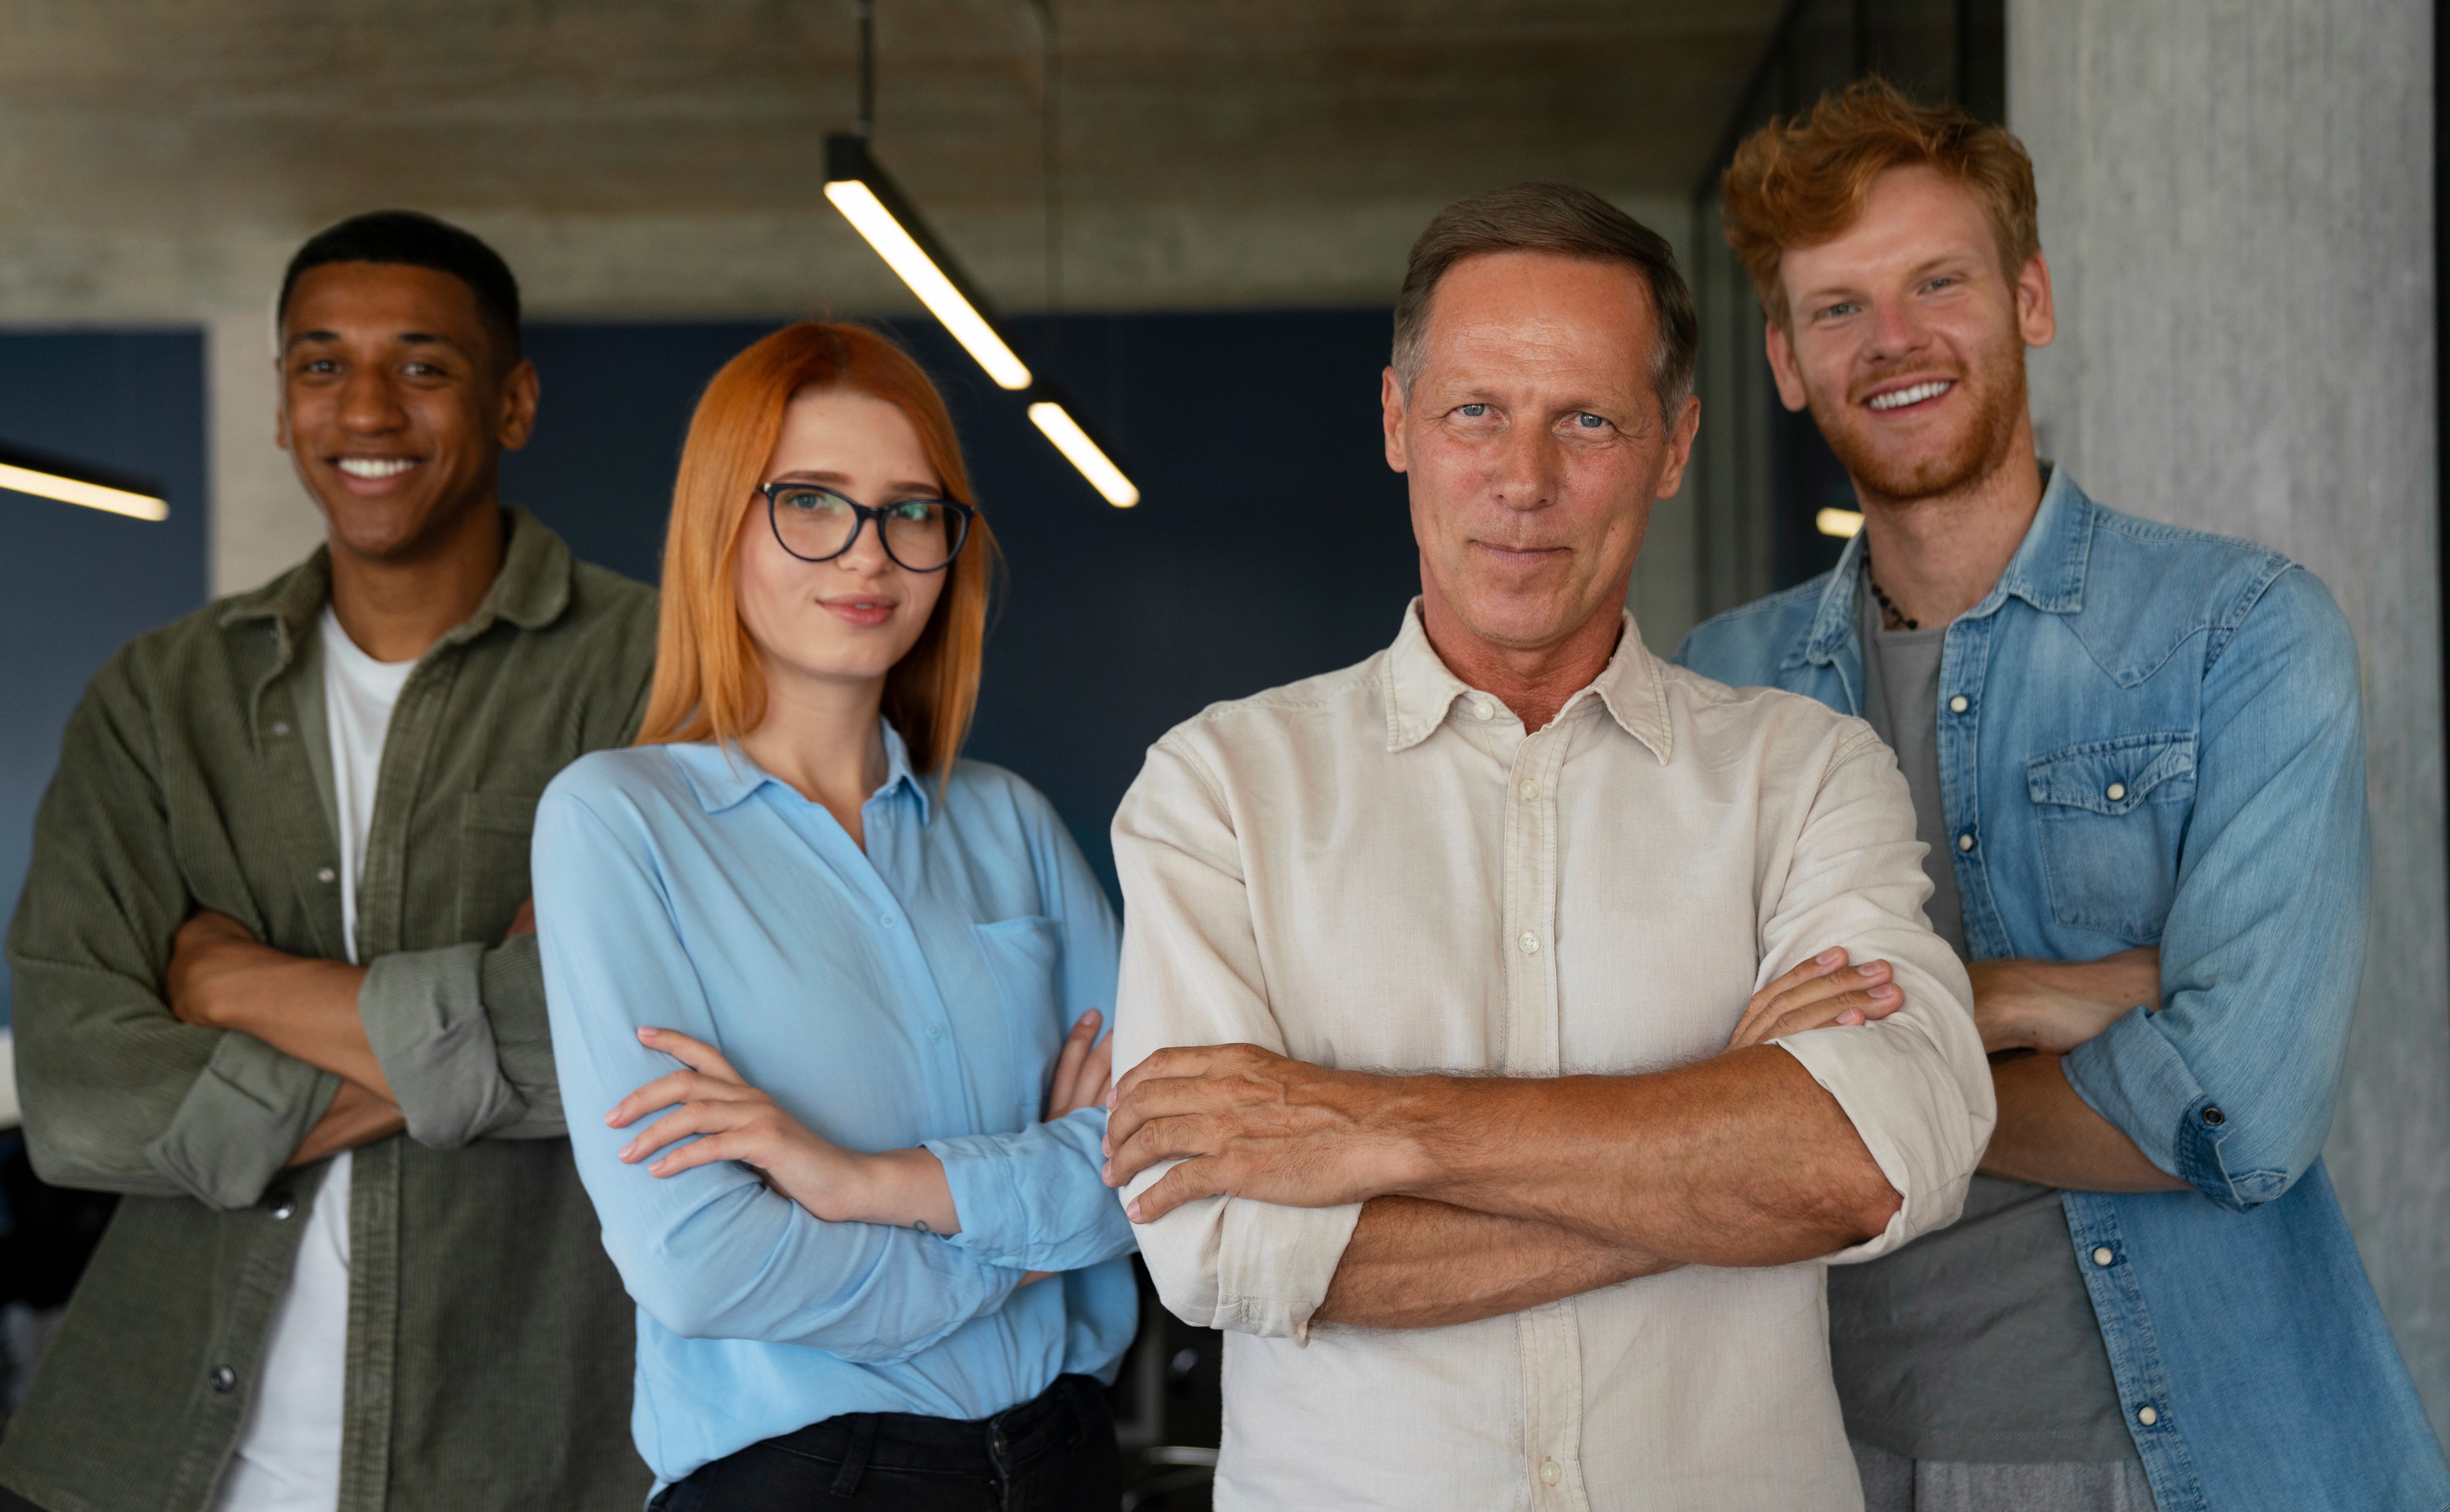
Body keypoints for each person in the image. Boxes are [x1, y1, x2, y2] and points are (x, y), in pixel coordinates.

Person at [1099, 184, 1995, 1511]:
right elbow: (1223, 1245)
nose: (1523, 481)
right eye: (1474, 412)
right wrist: (1711, 1150)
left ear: (1673, 444)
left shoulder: (1803, 773)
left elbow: (1869, 1158)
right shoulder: (1219, 787)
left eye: (1586, 419)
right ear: (1397, 422)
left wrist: (1368, 1123)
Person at [1675, 80, 2450, 1512]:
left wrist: (1883, 1052)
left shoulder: (2240, 635)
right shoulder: (1718, 693)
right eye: (1835, 308)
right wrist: (2057, 995)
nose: (1892, 340)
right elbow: (1683, 1092)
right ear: (1784, 361)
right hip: (1819, 1461)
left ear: (2025, 297)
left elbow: (2242, 1112)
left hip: (2181, 1466)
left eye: (1935, 281)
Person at [0, 212, 659, 1512]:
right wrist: (496, 1025)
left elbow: (648, 1038)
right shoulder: (158, 699)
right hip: (154, 1462)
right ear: (282, 399)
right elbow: (77, 1097)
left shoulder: (655, 673)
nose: (366, 408)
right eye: (320, 364)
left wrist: (233, 985)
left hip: (525, 1457)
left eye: (422, 365)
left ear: (513, 401)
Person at [533, 321, 1139, 1511]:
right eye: (811, 501)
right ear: (724, 522)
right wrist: (1020, 1245)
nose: (869, 555)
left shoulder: (1009, 824)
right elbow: (702, 1264)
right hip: (811, 1480)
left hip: (1062, 1461)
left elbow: (1158, 1165)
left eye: (912, 511)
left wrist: (865, 1182)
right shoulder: (619, 823)